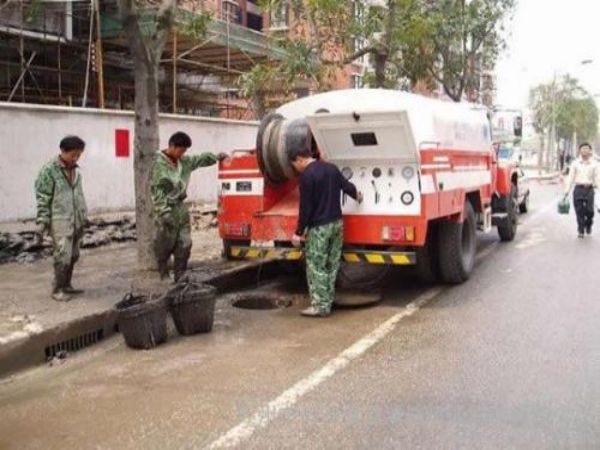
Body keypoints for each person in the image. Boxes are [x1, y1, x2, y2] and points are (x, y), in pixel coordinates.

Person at [290, 148, 362, 317]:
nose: (295, 168)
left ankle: (320, 306)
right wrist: (357, 196)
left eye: (294, 164)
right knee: (332, 264)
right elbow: (347, 186)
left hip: (319, 228)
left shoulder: (307, 176)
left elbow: (306, 208)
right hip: (337, 224)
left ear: (300, 159)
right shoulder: (331, 168)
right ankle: (327, 301)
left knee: (316, 267)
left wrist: (298, 232)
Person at [151, 131, 228, 281]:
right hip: (167, 208)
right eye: (181, 150)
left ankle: (180, 275)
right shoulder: (159, 164)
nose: (183, 153)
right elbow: (157, 189)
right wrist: (163, 212)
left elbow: (198, 160)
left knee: (185, 243)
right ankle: (163, 272)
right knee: (165, 243)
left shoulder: (183, 162)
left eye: (185, 151)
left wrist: (215, 157)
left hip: (180, 207)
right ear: (172, 146)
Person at [35, 136, 88, 301]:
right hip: (60, 220)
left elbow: (79, 194)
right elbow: (43, 197)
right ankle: (57, 288)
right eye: (73, 154)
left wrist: (84, 215)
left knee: (74, 254)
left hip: (77, 219)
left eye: (79, 155)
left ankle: (67, 285)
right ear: (63, 151)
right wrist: (42, 222)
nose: (76, 158)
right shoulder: (49, 170)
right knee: (62, 255)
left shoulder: (76, 170)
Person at [564, 142, 600, 238]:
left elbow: (597, 177)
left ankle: (588, 224)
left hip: (589, 189)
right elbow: (570, 177)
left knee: (590, 211)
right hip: (578, 189)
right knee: (579, 210)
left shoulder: (595, 164)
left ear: (590, 151)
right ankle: (580, 229)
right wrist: (567, 190)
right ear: (580, 150)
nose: (584, 150)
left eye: (587, 148)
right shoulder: (575, 163)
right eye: (583, 148)